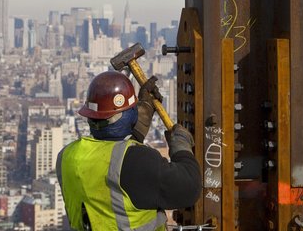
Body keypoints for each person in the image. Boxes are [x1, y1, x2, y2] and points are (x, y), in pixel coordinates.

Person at [56, 70, 201, 231]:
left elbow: (115, 162)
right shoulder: (137, 161)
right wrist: (181, 147)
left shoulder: (66, 157)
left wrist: (143, 112)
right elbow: (190, 188)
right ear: (131, 115)